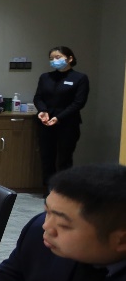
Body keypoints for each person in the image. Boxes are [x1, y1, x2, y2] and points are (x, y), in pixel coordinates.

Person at [34, 46, 90, 189]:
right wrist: (42, 111)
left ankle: (63, 191)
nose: (54, 61)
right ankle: (48, 190)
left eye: (58, 57)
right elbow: (38, 97)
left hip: (68, 123)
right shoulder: (45, 77)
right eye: (51, 58)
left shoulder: (80, 78)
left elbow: (78, 103)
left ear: (70, 58)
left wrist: (59, 118)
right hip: (46, 122)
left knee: (64, 159)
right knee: (47, 158)